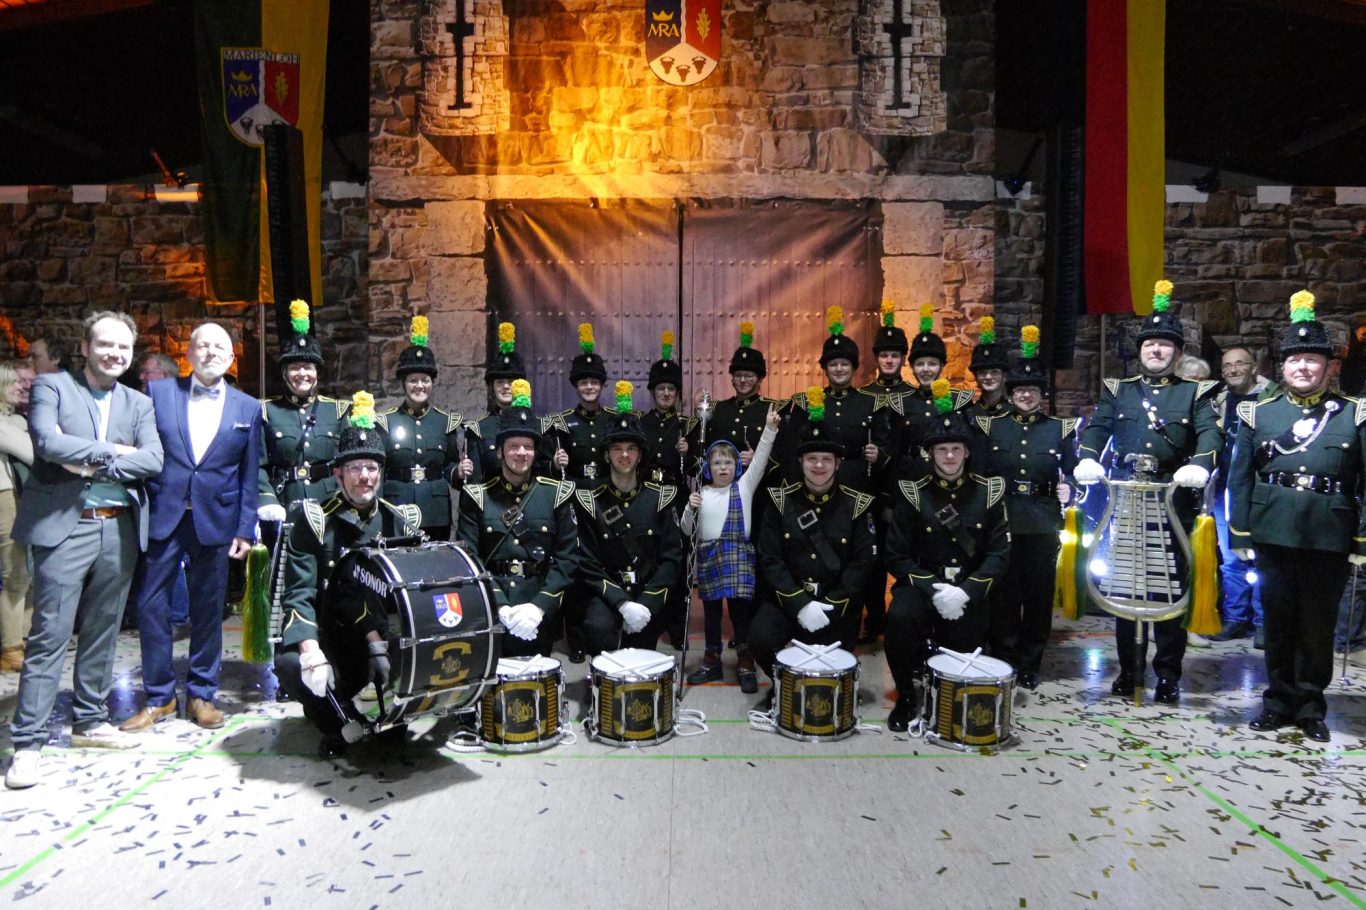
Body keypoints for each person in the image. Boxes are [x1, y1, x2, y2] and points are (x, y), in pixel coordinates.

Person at [5, 312, 163, 789]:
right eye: (106, 345)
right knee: (50, 635)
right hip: (64, 529)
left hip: (119, 530)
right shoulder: (54, 387)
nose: (115, 354)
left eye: (123, 347)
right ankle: (28, 743)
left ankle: (90, 721)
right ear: (86, 345)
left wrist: (89, 461)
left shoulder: (138, 402)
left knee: (103, 632)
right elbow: (48, 442)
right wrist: (111, 452)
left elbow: (153, 459)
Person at [1229, 291, 1366, 743]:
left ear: (1329, 367)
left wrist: (1361, 540)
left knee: (1317, 625)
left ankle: (1311, 708)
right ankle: (1276, 701)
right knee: (1278, 620)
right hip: (1272, 530)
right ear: (1283, 367)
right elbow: (1241, 478)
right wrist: (1241, 532)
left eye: (1313, 359)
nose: (1303, 367)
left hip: (1329, 532)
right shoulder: (1258, 414)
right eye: (1295, 360)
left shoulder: (1354, 415)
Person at [1074, 280, 1219, 705]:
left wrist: (1200, 463)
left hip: (1172, 501)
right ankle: (1128, 671)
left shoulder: (1194, 393)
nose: (1156, 351)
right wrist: (1087, 457)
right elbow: (1097, 429)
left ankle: (1168, 674)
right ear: (1140, 350)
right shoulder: (1119, 391)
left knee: (1169, 589)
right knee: (1124, 589)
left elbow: (1211, 434)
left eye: (1164, 346)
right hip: (1127, 504)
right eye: (1150, 345)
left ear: (1177, 353)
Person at [121, 322, 262, 733]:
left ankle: (202, 694)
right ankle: (160, 697)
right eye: (204, 344)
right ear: (190, 352)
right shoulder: (160, 393)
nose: (212, 352)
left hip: (216, 520)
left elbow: (249, 475)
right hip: (165, 515)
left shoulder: (247, 407)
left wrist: (245, 528)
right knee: (150, 605)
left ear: (231, 357)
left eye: (220, 346)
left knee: (207, 609)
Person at [274, 392, 423, 759]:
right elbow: (298, 594)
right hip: (332, 641)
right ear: (338, 473)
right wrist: (310, 650)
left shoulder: (400, 520)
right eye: (355, 468)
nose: (364, 477)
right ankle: (334, 721)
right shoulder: (315, 520)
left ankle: (391, 712)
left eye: (371, 468)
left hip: (384, 641)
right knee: (290, 664)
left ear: (381, 472)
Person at [883, 393, 1010, 732]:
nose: (950, 456)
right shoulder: (913, 493)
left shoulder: (989, 492)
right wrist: (932, 587)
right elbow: (896, 555)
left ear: (967, 451)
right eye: (941, 449)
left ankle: (946, 694)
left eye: (956, 449)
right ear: (930, 454)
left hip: (969, 589)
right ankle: (907, 696)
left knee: (965, 656)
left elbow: (998, 554)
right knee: (898, 618)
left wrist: (966, 591)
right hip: (925, 585)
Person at [749, 390, 877, 707]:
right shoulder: (780, 502)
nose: (818, 466)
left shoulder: (857, 505)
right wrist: (800, 604)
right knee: (760, 637)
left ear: (837, 464)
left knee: (833, 660)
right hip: (790, 602)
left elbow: (862, 564)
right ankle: (783, 685)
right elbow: (770, 559)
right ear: (801, 462)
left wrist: (831, 604)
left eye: (826, 459)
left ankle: (820, 689)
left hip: (837, 605)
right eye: (811, 459)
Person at [978, 327, 1079, 688]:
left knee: (1037, 597)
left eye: (1031, 391)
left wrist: (1074, 492)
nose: (1024, 396)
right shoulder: (992, 426)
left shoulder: (1060, 428)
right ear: (1011, 393)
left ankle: (1029, 664)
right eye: (1019, 390)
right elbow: (980, 474)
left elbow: (1075, 472)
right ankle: (1004, 658)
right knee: (1004, 594)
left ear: (1041, 395)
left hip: (1042, 520)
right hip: (1003, 518)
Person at [457, 380, 581, 659]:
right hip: (493, 607)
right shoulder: (477, 496)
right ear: (499, 451)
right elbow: (469, 559)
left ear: (536, 452)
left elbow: (567, 558)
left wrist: (539, 607)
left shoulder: (557, 494)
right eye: (513, 446)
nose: (521, 453)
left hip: (539, 609)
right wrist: (500, 606)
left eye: (527, 446)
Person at [572, 382, 683, 655]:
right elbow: (587, 562)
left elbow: (672, 558)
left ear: (640, 454)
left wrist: (647, 602)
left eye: (631, 448)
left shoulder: (660, 497)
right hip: (608, 594)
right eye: (617, 448)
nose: (624, 455)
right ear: (607, 455)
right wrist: (622, 602)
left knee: (642, 654)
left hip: (648, 592)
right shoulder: (591, 500)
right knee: (597, 629)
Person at [681, 401, 780, 693]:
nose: (723, 467)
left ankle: (745, 661)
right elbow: (688, 530)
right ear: (708, 469)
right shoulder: (701, 492)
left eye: (728, 463)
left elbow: (760, 459)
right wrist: (689, 508)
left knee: (740, 613)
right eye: (716, 463)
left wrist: (770, 430)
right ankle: (711, 660)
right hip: (709, 558)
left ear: (737, 466)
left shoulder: (744, 486)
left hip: (738, 555)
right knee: (711, 614)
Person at [256, 302, 350, 531]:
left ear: (317, 373)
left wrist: (345, 498)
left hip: (329, 505)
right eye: (295, 367)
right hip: (285, 503)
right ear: (285, 374)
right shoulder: (266, 411)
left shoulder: (337, 411)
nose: (302, 374)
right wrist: (267, 500)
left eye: (308, 367)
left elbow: (349, 461)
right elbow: (256, 465)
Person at [377, 316, 469, 542]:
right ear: (403, 383)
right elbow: (379, 470)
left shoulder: (444, 421)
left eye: (425, 380)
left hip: (435, 511)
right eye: (413, 380)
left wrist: (457, 472)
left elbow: (449, 464)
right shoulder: (385, 422)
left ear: (432, 383)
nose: (420, 386)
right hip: (397, 508)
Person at [1208, 345, 1276, 647]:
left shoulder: (1273, 399)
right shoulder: (1217, 401)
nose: (1234, 370)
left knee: (1262, 560)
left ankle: (1264, 623)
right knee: (1230, 559)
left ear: (1253, 367)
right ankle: (1236, 618)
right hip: (1225, 494)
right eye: (1227, 366)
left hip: (1260, 494)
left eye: (1240, 364)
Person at [639, 331, 695, 647]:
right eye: (660, 388)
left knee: (678, 564)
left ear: (677, 393)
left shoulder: (688, 425)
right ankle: (652, 621)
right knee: (651, 563)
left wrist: (690, 454)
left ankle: (678, 626)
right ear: (652, 392)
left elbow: (702, 469)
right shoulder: (641, 423)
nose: (665, 394)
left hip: (677, 499)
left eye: (671, 389)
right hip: (648, 500)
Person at [0, 362, 35, 671]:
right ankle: (11, 648)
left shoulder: (12, 420)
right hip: (3, 497)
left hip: (14, 496)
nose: (21, 388)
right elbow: (34, 453)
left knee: (25, 571)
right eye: (15, 384)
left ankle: (23, 638)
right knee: (16, 572)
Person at [963, 316, 1013, 422]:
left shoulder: (1014, 414)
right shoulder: (968, 415)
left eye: (994, 371)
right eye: (982, 372)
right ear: (976, 377)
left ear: (1004, 375)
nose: (988, 377)